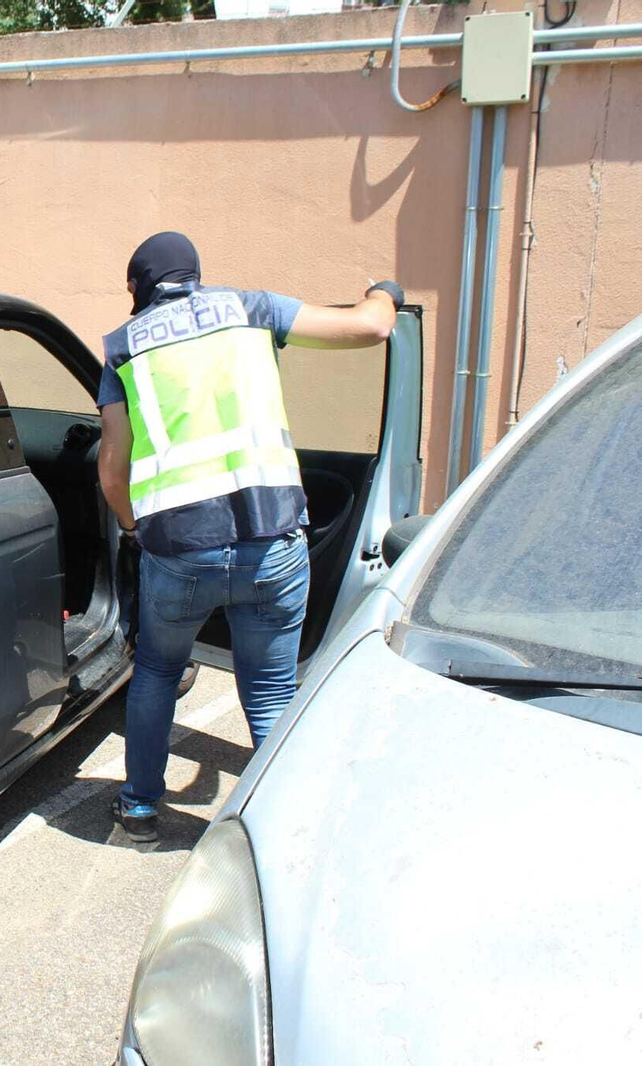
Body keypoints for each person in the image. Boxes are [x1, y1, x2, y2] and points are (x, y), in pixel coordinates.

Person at [97, 231, 403, 842]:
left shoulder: (123, 348)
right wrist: (385, 293)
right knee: (268, 692)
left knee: (157, 671)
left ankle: (139, 808)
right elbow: (372, 327)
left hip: (179, 550)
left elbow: (112, 468)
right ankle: (281, 825)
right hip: (272, 543)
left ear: (138, 285)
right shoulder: (252, 309)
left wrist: (133, 529)